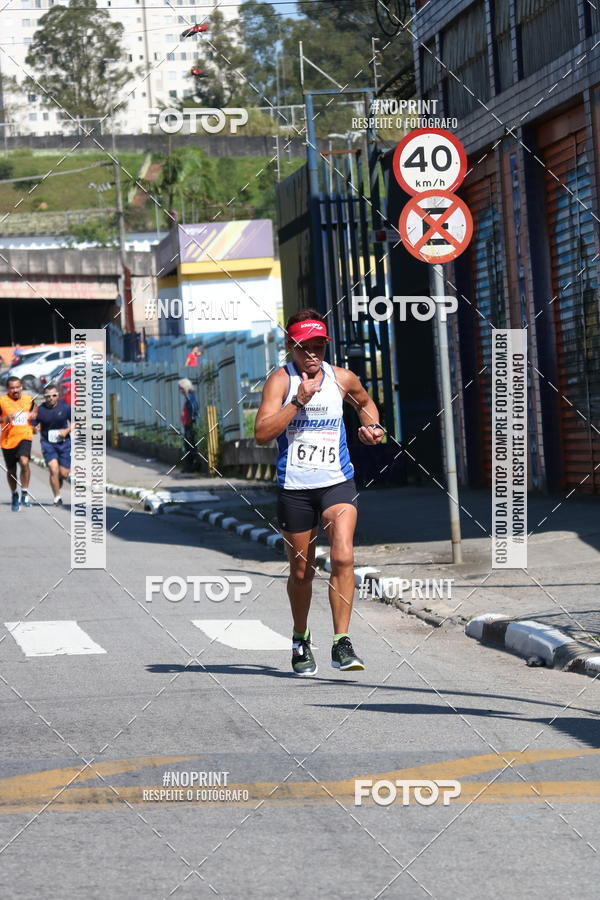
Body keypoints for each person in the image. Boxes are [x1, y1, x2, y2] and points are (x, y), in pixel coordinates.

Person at [254, 309, 384, 676]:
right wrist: (297, 402)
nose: (311, 353)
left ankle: (342, 642)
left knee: (343, 556)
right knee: (301, 572)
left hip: (336, 482)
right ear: (290, 346)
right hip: (295, 488)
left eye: (318, 346)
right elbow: (262, 434)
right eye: (303, 347)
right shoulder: (280, 382)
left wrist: (372, 428)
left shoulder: (342, 378)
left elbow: (366, 404)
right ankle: (300, 638)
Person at [0, 376, 36, 511]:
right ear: (8, 389)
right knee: (11, 470)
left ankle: (24, 492)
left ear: (21, 387)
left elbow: (35, 411)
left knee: (24, 461)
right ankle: (14, 494)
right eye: (12, 388)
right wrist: (5, 418)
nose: (15, 390)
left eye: (17, 387)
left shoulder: (28, 399)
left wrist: (34, 417)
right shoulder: (2, 401)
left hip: (25, 436)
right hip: (8, 440)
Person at [33, 383, 72, 506]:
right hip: (47, 443)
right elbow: (33, 424)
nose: (51, 398)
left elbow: (77, 422)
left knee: (64, 473)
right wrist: (35, 428)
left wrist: (67, 431)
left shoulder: (65, 407)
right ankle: (57, 497)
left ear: (58, 395)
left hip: (64, 443)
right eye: (48, 396)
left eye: (54, 395)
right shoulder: (40, 410)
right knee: (53, 469)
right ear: (44, 397)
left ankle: (59, 478)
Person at [179, 378, 201, 472]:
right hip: (188, 424)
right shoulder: (190, 396)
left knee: (190, 444)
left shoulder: (189, 397)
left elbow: (193, 407)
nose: (180, 390)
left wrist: (190, 419)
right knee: (189, 444)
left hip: (190, 425)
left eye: (181, 388)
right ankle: (190, 466)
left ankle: (191, 466)